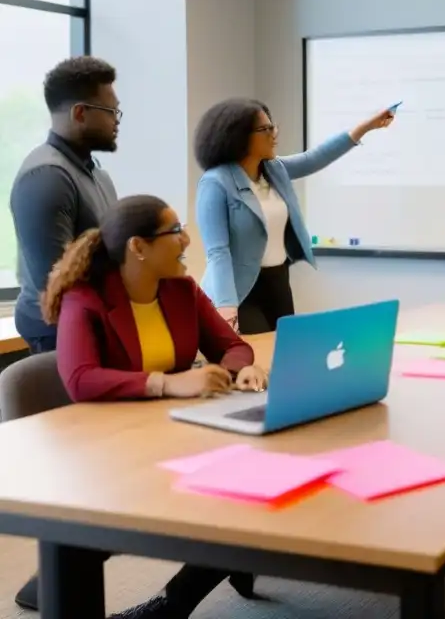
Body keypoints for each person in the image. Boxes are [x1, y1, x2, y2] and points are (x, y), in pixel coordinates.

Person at [39, 195, 265, 619]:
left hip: (175, 430)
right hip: (108, 449)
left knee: (251, 485)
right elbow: (80, 377)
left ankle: (171, 604)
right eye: (174, 231)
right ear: (137, 247)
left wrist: (241, 371)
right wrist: (167, 383)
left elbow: (232, 346)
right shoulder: (85, 298)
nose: (186, 240)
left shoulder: (182, 289)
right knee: (234, 498)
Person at [194, 98, 395, 335]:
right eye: (265, 129)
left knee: (284, 355)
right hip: (239, 291)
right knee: (255, 359)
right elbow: (217, 252)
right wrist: (226, 308)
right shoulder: (216, 183)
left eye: (273, 126)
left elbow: (315, 158)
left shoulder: (273, 169)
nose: (274, 134)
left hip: (277, 282)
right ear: (238, 137)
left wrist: (365, 128)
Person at [9, 56, 120, 356]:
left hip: (98, 320)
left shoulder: (96, 173)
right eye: (111, 112)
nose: (117, 121)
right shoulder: (47, 176)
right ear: (80, 113)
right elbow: (58, 282)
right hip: (61, 331)